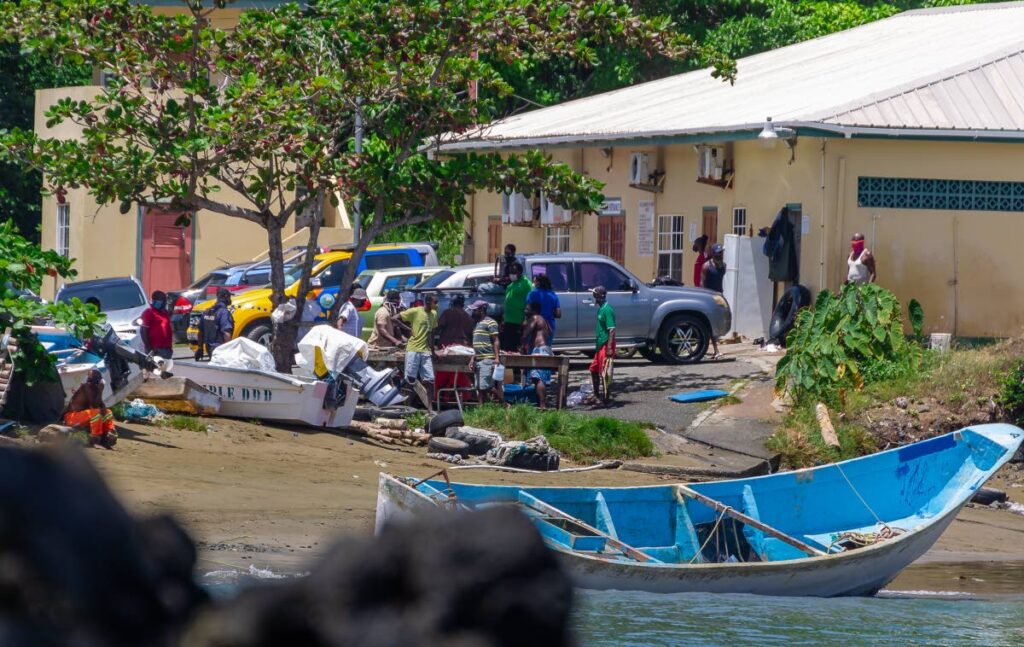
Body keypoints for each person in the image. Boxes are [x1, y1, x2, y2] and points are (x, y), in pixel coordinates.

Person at [401, 293, 438, 412]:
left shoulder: (434, 314)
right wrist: (408, 329)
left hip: (425, 350)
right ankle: (407, 406)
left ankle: (429, 407)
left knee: (429, 379)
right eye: (435, 303)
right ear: (428, 302)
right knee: (410, 379)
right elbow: (394, 318)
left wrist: (433, 351)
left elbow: (431, 333)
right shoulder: (416, 311)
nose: (436, 305)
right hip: (413, 349)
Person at [62, 369, 116, 449]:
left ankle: (107, 438)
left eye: (90, 376)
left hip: (82, 417)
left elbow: (101, 405)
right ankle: (95, 440)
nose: (89, 378)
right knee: (96, 413)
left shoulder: (95, 388)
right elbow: (94, 405)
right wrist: (101, 390)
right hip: (72, 417)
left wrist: (103, 409)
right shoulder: (86, 386)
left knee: (108, 412)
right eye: (89, 376)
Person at [586, 286, 615, 406]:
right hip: (600, 344)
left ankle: (607, 398)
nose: (593, 297)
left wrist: (609, 347)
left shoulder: (607, 309)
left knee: (605, 372)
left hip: (605, 344)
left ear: (599, 296)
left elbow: (611, 330)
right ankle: (596, 394)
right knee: (594, 369)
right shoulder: (601, 309)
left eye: (594, 295)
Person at [521, 300, 553, 409]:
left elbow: (525, 334)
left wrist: (520, 346)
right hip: (544, 350)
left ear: (534, 310)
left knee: (537, 378)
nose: (525, 310)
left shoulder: (536, 318)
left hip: (540, 350)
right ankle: (541, 404)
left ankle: (542, 406)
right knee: (538, 379)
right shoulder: (543, 320)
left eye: (527, 309)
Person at [470, 300, 503, 404]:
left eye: (475, 310)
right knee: (479, 387)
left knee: (487, 386)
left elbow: (496, 340)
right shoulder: (477, 324)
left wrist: (497, 358)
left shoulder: (491, 322)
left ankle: (504, 403)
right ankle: (481, 408)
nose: (473, 312)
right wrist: (472, 359)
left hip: (487, 359)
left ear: (481, 310)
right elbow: (477, 344)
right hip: (478, 359)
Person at [701, 243, 726, 359]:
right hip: (709, 297)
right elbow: (702, 283)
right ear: (714, 253)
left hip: (719, 296)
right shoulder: (707, 266)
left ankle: (714, 348)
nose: (721, 254)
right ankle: (715, 349)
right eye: (719, 252)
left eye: (722, 252)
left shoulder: (723, 266)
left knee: (718, 322)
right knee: (710, 323)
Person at [195, 287, 234, 360]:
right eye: (229, 297)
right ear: (225, 297)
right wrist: (229, 352)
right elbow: (226, 333)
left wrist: (200, 348)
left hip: (209, 350)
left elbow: (200, 332)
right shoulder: (224, 313)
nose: (230, 299)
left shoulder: (207, 311)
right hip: (220, 351)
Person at [501, 262, 531, 352]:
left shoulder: (526, 284)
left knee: (517, 347)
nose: (512, 274)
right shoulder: (511, 285)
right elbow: (507, 302)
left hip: (519, 321)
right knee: (507, 346)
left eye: (514, 271)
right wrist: (503, 318)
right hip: (508, 321)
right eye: (511, 272)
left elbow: (530, 302)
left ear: (520, 272)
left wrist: (526, 319)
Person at [140, 290, 173, 360]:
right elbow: (143, 331)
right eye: (161, 300)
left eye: (164, 300)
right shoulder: (148, 313)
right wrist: (149, 347)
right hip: (155, 349)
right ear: (154, 300)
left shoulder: (165, 313)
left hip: (166, 349)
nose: (163, 303)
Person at [526, 273, 560, 342]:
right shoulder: (553, 295)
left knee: (532, 349)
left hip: (534, 326)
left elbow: (527, 311)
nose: (533, 283)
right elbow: (558, 314)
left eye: (534, 281)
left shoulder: (532, 294)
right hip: (549, 326)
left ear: (538, 283)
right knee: (546, 349)